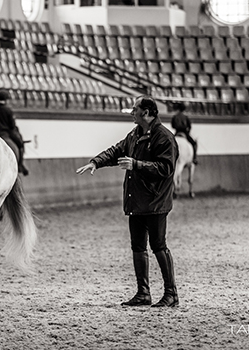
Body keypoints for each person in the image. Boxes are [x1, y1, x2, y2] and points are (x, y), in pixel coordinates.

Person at [76, 96, 179, 308]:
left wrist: (137, 164)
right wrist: (96, 162)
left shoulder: (164, 138)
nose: (132, 112)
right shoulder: (134, 135)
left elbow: (166, 169)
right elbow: (116, 151)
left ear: (147, 113)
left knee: (159, 245)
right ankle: (143, 293)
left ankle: (171, 293)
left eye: (135, 109)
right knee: (138, 246)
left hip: (155, 201)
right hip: (137, 200)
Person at [0, 90, 29, 176]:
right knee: (20, 144)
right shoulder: (8, 110)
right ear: (6, 100)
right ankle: (20, 165)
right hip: (6, 132)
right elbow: (12, 125)